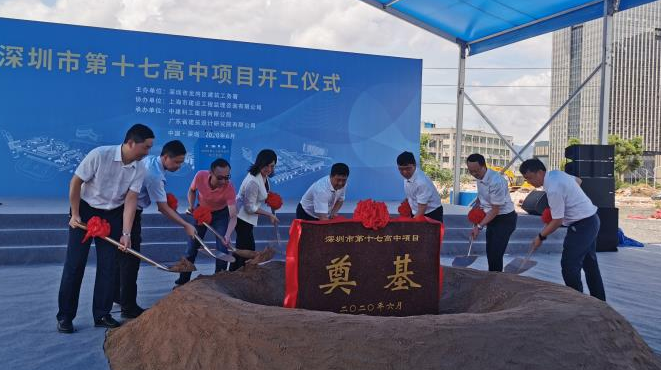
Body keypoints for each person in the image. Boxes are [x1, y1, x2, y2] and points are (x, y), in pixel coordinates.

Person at [56, 124, 153, 333]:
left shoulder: (140, 167)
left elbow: (131, 199)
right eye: (145, 147)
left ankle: (102, 313)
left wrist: (126, 234)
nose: (148, 152)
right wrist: (75, 214)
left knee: (109, 266)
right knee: (75, 264)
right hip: (85, 209)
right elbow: (75, 183)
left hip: (113, 214)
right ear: (130, 143)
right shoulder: (99, 155)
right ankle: (65, 316)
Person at [115, 140, 196, 317]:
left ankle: (118, 296)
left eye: (182, 162)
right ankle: (128, 307)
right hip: (129, 213)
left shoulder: (151, 161)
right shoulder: (155, 176)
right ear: (165, 157)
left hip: (122, 209)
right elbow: (162, 208)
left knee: (123, 257)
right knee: (130, 261)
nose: (179, 166)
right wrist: (186, 224)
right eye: (177, 162)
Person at [519, 158, 606, 301]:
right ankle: (600, 302)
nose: (529, 182)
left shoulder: (553, 188)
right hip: (591, 219)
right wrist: (571, 198)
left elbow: (557, 220)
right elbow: (578, 180)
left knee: (569, 265)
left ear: (540, 172)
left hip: (582, 225)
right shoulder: (556, 174)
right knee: (590, 265)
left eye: (530, 178)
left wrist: (540, 237)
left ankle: (576, 302)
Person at [174, 158, 238, 286]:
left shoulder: (229, 188)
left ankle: (219, 283)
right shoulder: (200, 176)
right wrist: (192, 206)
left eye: (227, 177)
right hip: (202, 212)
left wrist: (228, 234)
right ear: (210, 173)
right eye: (220, 178)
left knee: (222, 250)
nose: (224, 181)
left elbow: (233, 216)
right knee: (192, 247)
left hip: (221, 215)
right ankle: (183, 281)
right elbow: (192, 190)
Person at [466, 153, 517, 272]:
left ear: (484, 166)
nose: (474, 174)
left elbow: (495, 210)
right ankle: (492, 276)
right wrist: (476, 210)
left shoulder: (496, 181)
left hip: (504, 219)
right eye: (470, 171)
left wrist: (479, 227)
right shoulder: (479, 178)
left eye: (476, 171)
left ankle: (496, 281)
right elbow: (481, 197)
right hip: (492, 218)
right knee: (490, 251)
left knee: (496, 253)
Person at [234, 149, 279, 271]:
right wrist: (269, 214)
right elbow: (249, 208)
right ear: (260, 163)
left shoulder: (264, 176)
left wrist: (271, 199)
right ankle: (239, 275)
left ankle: (233, 273)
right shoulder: (253, 181)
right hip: (241, 218)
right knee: (246, 249)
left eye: (272, 166)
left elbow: (261, 195)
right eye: (266, 165)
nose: (269, 169)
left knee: (242, 248)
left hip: (248, 219)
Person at [396, 151, 443, 222]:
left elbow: (421, 211)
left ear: (414, 165)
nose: (404, 172)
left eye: (407, 168)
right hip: (417, 211)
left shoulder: (422, 182)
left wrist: (411, 223)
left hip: (430, 213)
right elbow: (413, 193)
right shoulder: (409, 176)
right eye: (401, 169)